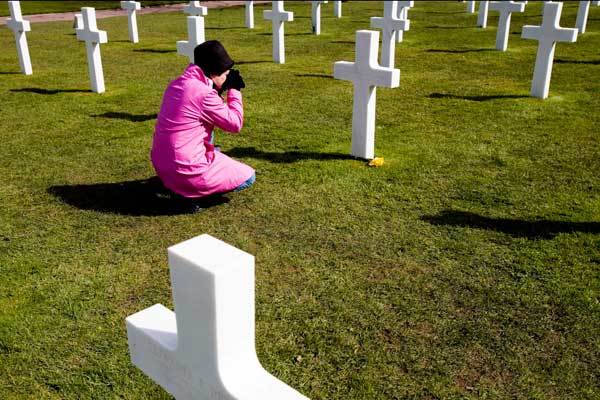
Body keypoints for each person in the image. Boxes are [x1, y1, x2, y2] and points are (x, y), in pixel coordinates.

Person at [151, 40, 255, 203]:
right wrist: (234, 90)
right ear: (215, 73)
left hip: (162, 166)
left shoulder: (176, 84)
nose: (228, 77)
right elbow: (235, 124)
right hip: (185, 170)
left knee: (202, 135)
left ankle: (183, 184)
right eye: (226, 74)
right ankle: (194, 195)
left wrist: (217, 89)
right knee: (249, 176)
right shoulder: (205, 94)